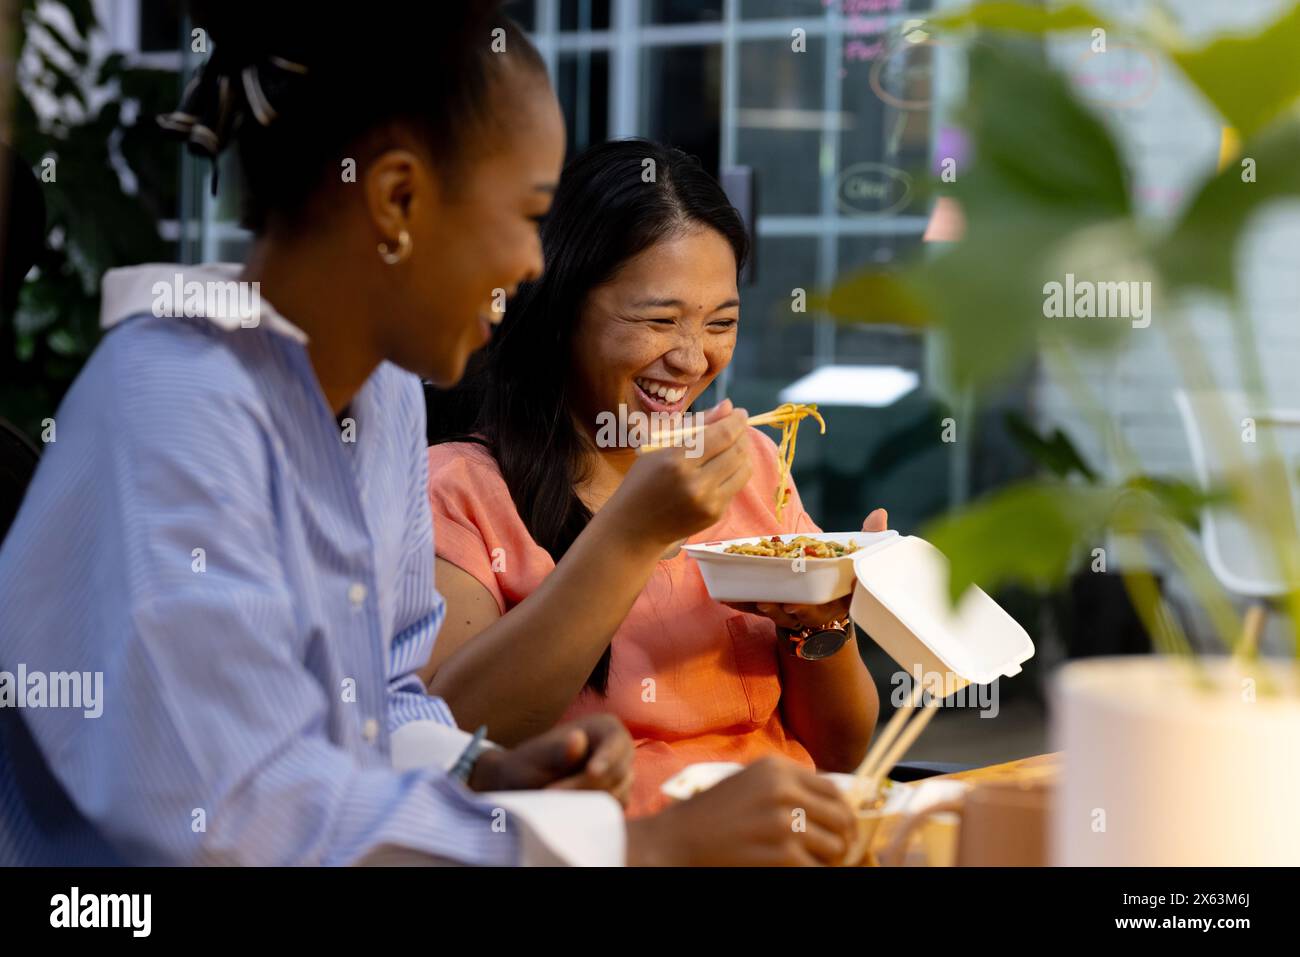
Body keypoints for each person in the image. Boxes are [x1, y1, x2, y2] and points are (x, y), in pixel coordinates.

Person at [0, 3, 854, 866]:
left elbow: (388, 702)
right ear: (397, 199)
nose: (532, 266)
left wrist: (486, 768)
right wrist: (640, 849)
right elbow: (241, 826)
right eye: (526, 215)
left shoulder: (384, 399)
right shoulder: (173, 405)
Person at [424, 139, 885, 817]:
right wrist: (635, 534)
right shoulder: (458, 490)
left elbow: (842, 752)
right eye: (659, 320)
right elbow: (454, 744)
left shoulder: (750, 463)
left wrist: (822, 620)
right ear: (562, 308)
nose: (693, 357)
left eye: (721, 323)